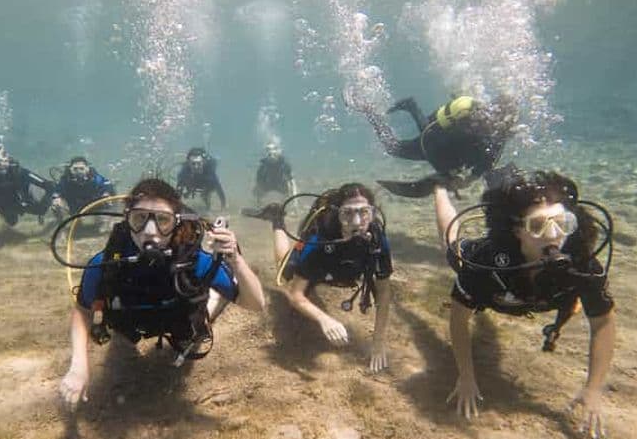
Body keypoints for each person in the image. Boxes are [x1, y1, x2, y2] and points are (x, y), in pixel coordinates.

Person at [436, 169, 615, 439]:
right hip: (497, 289)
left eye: (562, 222)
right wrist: (466, 375)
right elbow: (459, 318)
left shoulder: (583, 265)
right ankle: (439, 188)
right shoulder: (486, 262)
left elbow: (603, 323)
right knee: (449, 246)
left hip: (524, 298)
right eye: (538, 225)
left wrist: (594, 388)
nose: (554, 235)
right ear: (517, 230)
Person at [59, 178, 264, 411]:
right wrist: (79, 367)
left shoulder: (194, 261)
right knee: (121, 344)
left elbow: (256, 304)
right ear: (127, 219)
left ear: (176, 223)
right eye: (139, 218)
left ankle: (219, 297)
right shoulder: (106, 263)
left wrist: (236, 261)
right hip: (132, 321)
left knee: (197, 328)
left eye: (162, 221)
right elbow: (83, 311)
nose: (149, 232)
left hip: (178, 318)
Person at [242, 183, 393, 373]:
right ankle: (277, 219)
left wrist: (378, 342)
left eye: (364, 212)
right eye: (347, 213)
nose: (356, 222)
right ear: (337, 213)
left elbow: (384, 292)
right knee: (285, 269)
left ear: (373, 212)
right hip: (323, 261)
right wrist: (324, 319)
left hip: (343, 272)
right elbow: (294, 294)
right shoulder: (319, 238)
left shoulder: (378, 239)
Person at [349, 93, 518, 197]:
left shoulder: (498, 138)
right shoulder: (470, 124)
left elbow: (483, 166)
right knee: (392, 147)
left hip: (448, 153)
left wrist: (466, 180)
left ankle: (411, 106)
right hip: (433, 144)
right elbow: (431, 139)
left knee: (405, 142)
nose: (496, 127)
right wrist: (446, 173)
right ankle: (371, 111)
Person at [51, 156, 115, 215]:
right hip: (74, 204)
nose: (79, 172)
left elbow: (107, 184)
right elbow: (57, 190)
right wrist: (56, 199)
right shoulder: (66, 179)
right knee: (57, 205)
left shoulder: (94, 177)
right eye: (75, 169)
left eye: (82, 168)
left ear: (87, 169)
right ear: (70, 169)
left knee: (106, 202)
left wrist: (106, 193)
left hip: (92, 202)